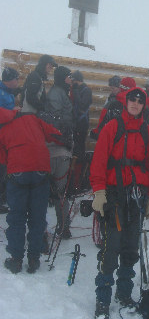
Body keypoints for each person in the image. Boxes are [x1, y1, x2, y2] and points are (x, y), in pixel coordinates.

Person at [89, 87, 149, 319]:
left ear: (143, 105)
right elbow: (98, 160)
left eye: (140, 100)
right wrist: (99, 191)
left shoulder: (148, 132)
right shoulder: (112, 127)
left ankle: (124, 294)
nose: (135, 103)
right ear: (126, 102)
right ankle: (103, 300)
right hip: (115, 196)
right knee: (111, 249)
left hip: (137, 196)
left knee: (130, 247)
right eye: (132, 99)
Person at [0, 107, 64, 274]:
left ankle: (16, 259)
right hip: (40, 168)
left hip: (17, 170)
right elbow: (55, 134)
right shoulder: (31, 117)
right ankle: (34, 258)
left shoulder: (3, 125)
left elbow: (2, 157)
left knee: (16, 217)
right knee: (37, 216)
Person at [45, 66, 73, 239]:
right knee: (54, 191)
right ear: (63, 77)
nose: (70, 78)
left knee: (59, 192)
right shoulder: (56, 93)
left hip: (61, 148)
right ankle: (56, 228)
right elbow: (53, 120)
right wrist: (66, 133)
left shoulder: (62, 92)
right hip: (54, 149)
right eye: (68, 76)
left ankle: (63, 227)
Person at [0, 68, 21, 214]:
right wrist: (15, 112)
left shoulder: (7, 92)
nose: (18, 81)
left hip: (7, 139)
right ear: (9, 80)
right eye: (16, 79)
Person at [70, 70, 92, 189]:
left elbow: (83, 105)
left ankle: (79, 181)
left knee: (80, 152)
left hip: (81, 125)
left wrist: (76, 91)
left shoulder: (86, 90)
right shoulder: (78, 89)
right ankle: (74, 179)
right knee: (75, 151)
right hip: (75, 124)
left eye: (74, 81)